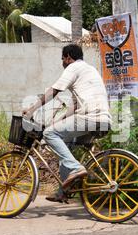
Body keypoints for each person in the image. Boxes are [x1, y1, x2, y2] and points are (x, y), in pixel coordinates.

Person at [22, 44, 111, 203]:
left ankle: (76, 168)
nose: (62, 62)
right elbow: (75, 106)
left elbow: (54, 90)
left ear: (68, 57)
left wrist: (32, 109)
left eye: (62, 59)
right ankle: (63, 190)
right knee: (65, 141)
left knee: (49, 134)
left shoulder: (73, 68)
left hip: (90, 117)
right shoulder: (90, 70)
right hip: (104, 120)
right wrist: (57, 121)